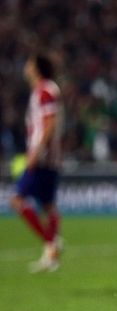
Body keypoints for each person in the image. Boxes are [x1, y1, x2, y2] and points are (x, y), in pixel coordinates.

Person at [10, 53, 64, 273]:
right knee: (48, 205)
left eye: (29, 63)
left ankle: (51, 244)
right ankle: (51, 253)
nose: (26, 67)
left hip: (43, 157)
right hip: (49, 157)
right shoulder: (44, 90)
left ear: (37, 68)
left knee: (17, 200)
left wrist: (36, 152)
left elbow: (49, 124)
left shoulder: (45, 91)